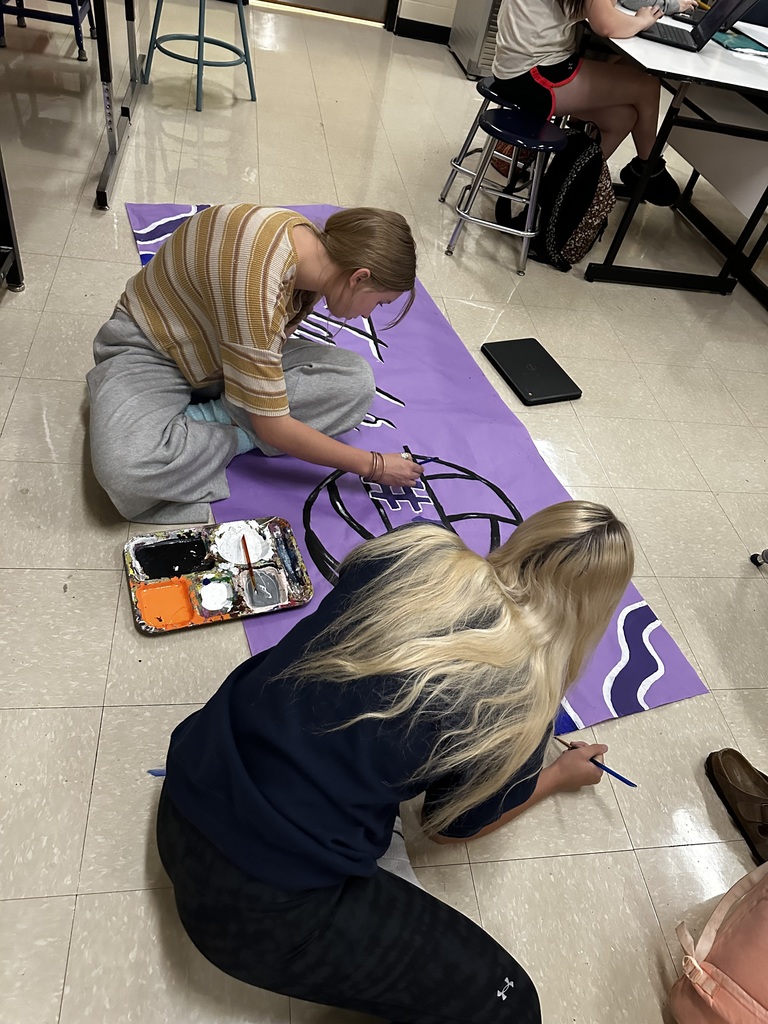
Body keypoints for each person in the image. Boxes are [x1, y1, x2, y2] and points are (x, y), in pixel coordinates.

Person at [156, 500, 634, 1024]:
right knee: (510, 1004)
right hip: (248, 904)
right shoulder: (521, 701)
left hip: (194, 770)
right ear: (595, 611)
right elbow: (448, 829)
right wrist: (558, 775)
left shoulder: (416, 545)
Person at [86, 204, 423, 524]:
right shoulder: (257, 285)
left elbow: (263, 340)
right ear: (359, 277)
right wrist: (374, 466)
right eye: (378, 303)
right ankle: (220, 425)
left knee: (354, 382)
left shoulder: (304, 240)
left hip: (224, 352)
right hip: (156, 347)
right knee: (126, 468)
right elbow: (273, 427)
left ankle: (210, 421)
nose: (367, 314)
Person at [491, 0, 698, 205]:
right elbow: (605, 23)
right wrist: (642, 21)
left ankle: (562, 191)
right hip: (532, 74)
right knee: (647, 84)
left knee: (623, 118)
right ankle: (648, 169)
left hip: (520, 65)